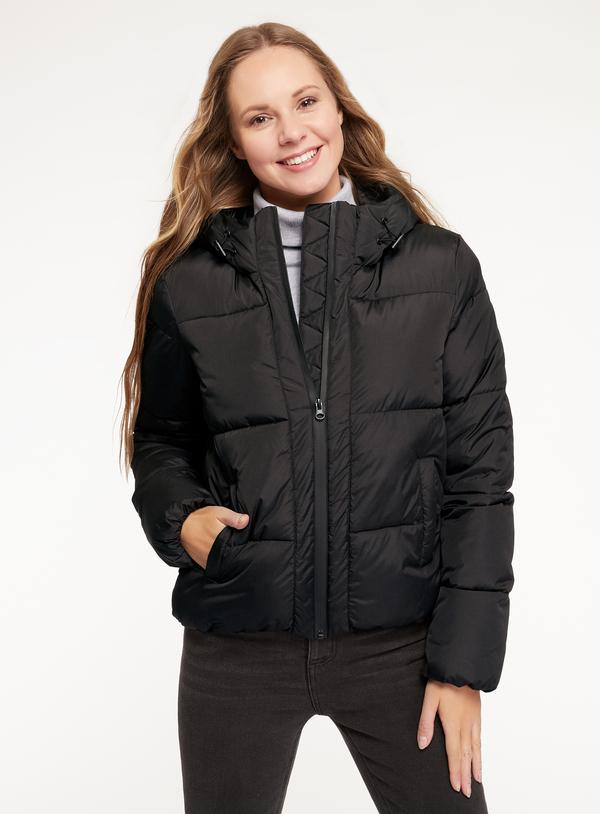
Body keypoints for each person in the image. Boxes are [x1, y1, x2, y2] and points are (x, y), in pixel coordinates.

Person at [119, 21, 515, 814]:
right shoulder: (190, 283)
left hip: (403, 649)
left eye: (305, 102)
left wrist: (462, 667)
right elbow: (162, 440)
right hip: (239, 644)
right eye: (260, 116)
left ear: (340, 110)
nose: (291, 131)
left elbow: (479, 478)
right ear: (235, 142)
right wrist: (183, 519)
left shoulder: (441, 268)